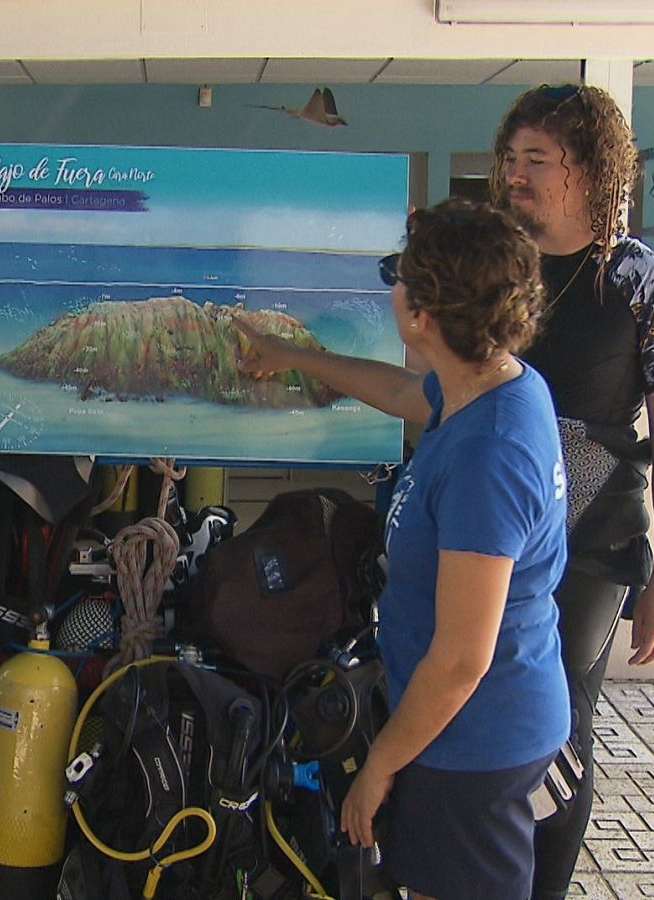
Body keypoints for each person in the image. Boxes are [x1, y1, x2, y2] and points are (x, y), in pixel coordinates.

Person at [239, 198, 569, 898]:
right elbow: (396, 388)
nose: (390, 285)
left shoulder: (490, 454)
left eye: (398, 274)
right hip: (465, 728)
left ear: (421, 316)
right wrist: (291, 356)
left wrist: (380, 768)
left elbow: (459, 661)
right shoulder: (488, 383)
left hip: (473, 741)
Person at [492, 83, 654, 900]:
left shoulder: (646, 284)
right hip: (490, 523)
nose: (515, 174)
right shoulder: (493, 267)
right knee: (476, 709)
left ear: (588, 169)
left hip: (592, 534)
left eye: (535, 160)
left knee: (558, 729)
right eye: (509, 157)